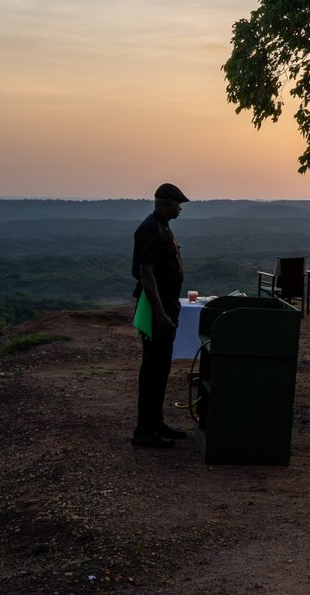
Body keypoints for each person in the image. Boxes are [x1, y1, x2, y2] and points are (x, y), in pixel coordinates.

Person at [131, 183, 189, 449]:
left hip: (166, 309)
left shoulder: (162, 227)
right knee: (152, 369)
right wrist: (161, 313)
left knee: (161, 367)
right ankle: (144, 430)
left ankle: (157, 423)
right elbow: (146, 273)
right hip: (157, 311)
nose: (180, 208)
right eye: (178, 204)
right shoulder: (151, 229)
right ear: (165, 202)